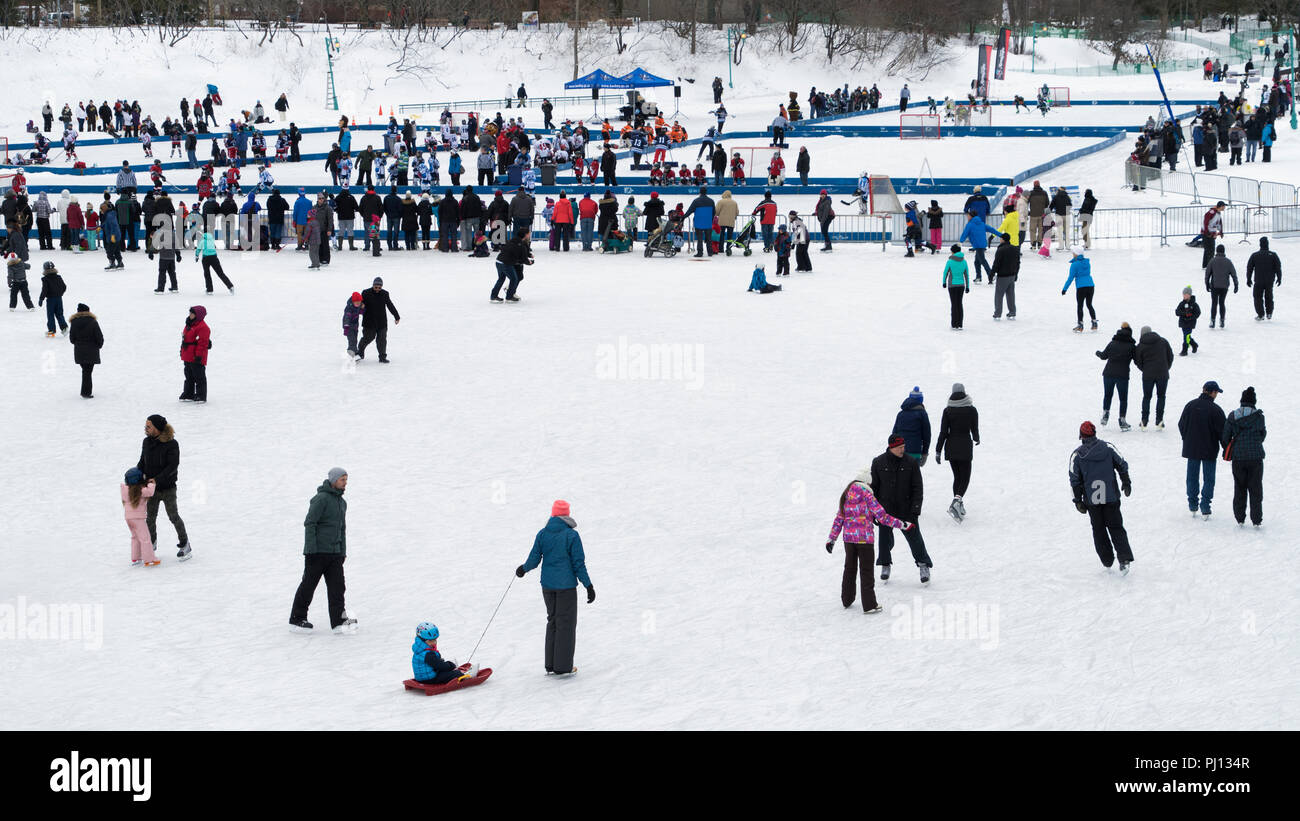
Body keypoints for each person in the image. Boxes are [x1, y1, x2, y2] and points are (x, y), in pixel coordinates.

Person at [515, 500, 594, 676]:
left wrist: (523, 569)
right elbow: (578, 564)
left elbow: (534, 559)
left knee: (553, 621)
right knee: (565, 624)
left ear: (553, 514)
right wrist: (588, 585)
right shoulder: (571, 536)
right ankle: (563, 667)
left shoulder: (543, 534)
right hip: (565, 587)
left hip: (548, 587)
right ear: (566, 515)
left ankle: (550, 664)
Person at [826, 473, 913, 613]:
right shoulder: (867, 495)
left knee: (849, 568)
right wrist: (902, 524)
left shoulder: (846, 494)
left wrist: (832, 539)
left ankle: (846, 599)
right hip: (865, 539)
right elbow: (883, 517)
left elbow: (839, 518)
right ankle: (869, 604)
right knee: (866, 571)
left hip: (849, 539)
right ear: (867, 482)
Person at [290, 468, 357, 633]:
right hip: (317, 553)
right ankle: (297, 619)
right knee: (308, 585)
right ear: (334, 480)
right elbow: (310, 523)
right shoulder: (321, 499)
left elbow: (342, 529)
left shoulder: (342, 503)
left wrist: (342, 552)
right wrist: (311, 549)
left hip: (335, 554)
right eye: (342, 480)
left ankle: (339, 622)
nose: (345, 483)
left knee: (338, 588)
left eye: (346, 480)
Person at [1069, 421, 1134, 574]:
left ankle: (1107, 559)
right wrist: (1126, 481)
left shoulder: (1077, 455)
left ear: (1082, 436)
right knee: (1116, 527)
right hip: (1111, 496)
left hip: (1092, 501)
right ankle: (1124, 559)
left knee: (1098, 529)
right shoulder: (1108, 448)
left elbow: (1074, 480)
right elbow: (1122, 464)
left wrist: (1078, 501)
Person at [869, 435, 933, 583]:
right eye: (899, 448)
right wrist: (874, 511)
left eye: (903, 447)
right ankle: (885, 564)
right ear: (891, 447)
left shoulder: (911, 462)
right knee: (884, 540)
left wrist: (915, 509)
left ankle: (923, 564)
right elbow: (874, 488)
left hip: (907, 509)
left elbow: (918, 487)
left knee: (915, 539)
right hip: (886, 510)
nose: (902, 450)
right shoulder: (878, 462)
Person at [136, 414, 190, 559]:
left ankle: (185, 544)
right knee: (150, 518)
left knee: (173, 516)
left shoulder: (172, 444)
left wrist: (157, 479)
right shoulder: (146, 442)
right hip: (151, 488)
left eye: (149, 426)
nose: (145, 429)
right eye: (145, 426)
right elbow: (142, 462)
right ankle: (151, 544)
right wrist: (135, 474)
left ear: (157, 428)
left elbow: (173, 466)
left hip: (167, 488)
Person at [1178, 381, 1226, 519]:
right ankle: (1205, 506)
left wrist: (1186, 439)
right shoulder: (1216, 410)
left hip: (1191, 448)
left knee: (1192, 477)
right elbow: (1222, 432)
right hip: (1209, 449)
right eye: (1216, 392)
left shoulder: (1190, 405)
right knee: (1209, 479)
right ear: (1213, 392)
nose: (1216, 395)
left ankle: (1193, 504)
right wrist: (1226, 449)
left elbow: (1181, 424)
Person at [1221, 386, 1266, 528]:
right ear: (1254, 401)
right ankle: (1256, 520)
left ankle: (1240, 518)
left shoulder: (1233, 416)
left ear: (1241, 401)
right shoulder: (1259, 417)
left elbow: (1225, 437)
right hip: (1255, 458)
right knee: (1255, 488)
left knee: (1239, 487)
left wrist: (1232, 449)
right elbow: (1262, 435)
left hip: (1238, 458)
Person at [935, 383, 979, 521]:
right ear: (964, 392)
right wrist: (977, 438)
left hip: (951, 446)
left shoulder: (947, 410)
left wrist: (938, 450)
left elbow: (943, 432)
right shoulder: (971, 410)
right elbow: (974, 428)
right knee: (965, 477)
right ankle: (957, 502)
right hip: (965, 445)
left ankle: (958, 505)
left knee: (957, 477)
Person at [1094, 323, 1135, 430]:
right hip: (1123, 375)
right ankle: (1122, 420)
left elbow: (1103, 356)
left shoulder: (1112, 343)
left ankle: (1105, 414)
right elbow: (1137, 360)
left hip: (1108, 373)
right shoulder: (1131, 346)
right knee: (1123, 399)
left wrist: (1097, 353)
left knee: (1108, 395)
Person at [1133, 325, 1174, 431]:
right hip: (1163, 374)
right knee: (1161, 396)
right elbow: (1170, 356)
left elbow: (1137, 361)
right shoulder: (1163, 341)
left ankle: (1144, 420)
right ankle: (1159, 420)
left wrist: (1145, 369)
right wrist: (1166, 367)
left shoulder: (1140, 346)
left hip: (1148, 375)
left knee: (1147, 397)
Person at [410, 623, 475, 685]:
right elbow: (439, 666)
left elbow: (435, 663)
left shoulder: (420, 649)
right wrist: (450, 666)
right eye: (430, 641)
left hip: (423, 677)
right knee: (455, 674)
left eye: (435, 639)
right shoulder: (428, 654)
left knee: (446, 669)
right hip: (430, 679)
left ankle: (454, 670)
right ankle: (466, 675)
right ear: (422, 640)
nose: (434, 642)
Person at [121, 469, 161, 568]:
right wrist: (152, 483)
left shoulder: (126, 490)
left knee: (135, 537)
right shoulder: (141, 490)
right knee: (145, 538)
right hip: (138, 518)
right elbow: (150, 492)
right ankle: (149, 559)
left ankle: (136, 557)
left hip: (128, 518)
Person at [358, 277, 400, 363]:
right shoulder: (366, 293)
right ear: (373, 285)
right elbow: (358, 303)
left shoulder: (385, 294)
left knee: (382, 339)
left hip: (381, 322)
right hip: (369, 322)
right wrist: (361, 306)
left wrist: (397, 316)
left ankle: (382, 357)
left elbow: (390, 305)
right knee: (368, 338)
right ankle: (360, 352)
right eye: (375, 287)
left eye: (379, 287)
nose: (377, 289)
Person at [68, 302, 102, 398]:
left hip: (79, 351)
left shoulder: (74, 322)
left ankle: (85, 391)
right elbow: (99, 337)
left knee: (86, 371)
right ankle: (86, 392)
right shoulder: (93, 322)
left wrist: (78, 344)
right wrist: (98, 346)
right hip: (92, 351)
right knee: (87, 371)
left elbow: (72, 339)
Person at [179, 306, 211, 403]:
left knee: (199, 376)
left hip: (196, 356)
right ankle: (188, 394)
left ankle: (201, 395)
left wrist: (198, 356)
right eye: (190, 313)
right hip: (187, 354)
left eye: (192, 313)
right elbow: (184, 338)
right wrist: (182, 350)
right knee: (188, 375)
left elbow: (203, 343)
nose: (190, 315)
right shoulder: (189, 324)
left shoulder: (203, 327)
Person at [891, 386, 931, 465]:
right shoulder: (922, 414)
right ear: (920, 400)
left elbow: (894, 433)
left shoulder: (900, 414)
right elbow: (927, 435)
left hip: (899, 451)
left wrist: (892, 449)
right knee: (913, 476)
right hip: (915, 452)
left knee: (900, 475)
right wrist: (925, 453)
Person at [491, 228, 532, 303]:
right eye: (529, 233)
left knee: (501, 279)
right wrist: (529, 262)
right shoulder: (521, 244)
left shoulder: (514, 240)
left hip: (499, 261)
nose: (529, 235)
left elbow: (517, 253)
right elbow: (522, 258)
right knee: (514, 279)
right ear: (525, 235)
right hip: (506, 263)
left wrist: (528, 255)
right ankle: (509, 297)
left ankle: (493, 296)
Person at [1062, 246, 1097, 332]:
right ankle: (1094, 323)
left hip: (1081, 287)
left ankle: (1080, 325)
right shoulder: (1087, 262)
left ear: (1076, 254)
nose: (1072, 254)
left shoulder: (1075, 265)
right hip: (1091, 285)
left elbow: (1070, 278)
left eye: (1073, 253)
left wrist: (1064, 289)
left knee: (1080, 306)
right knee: (1089, 305)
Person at [1246, 236, 1281, 320]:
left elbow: (1249, 268)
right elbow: (1278, 267)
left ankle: (1261, 314)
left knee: (1257, 297)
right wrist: (1279, 278)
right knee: (1269, 296)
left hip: (1258, 280)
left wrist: (1248, 279)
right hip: (1269, 280)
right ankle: (1269, 313)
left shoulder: (1255, 255)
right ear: (1267, 244)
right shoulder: (1273, 255)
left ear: (1260, 244)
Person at [1204, 244, 1238, 328]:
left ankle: (1212, 321)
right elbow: (1234, 274)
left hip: (1214, 286)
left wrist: (1207, 284)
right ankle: (1222, 320)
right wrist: (1236, 284)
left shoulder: (1212, 260)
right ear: (1224, 251)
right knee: (1222, 303)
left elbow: (1207, 274)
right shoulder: (1228, 262)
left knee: (1214, 303)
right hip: (1224, 286)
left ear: (1216, 251)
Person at [989, 232, 1019, 320]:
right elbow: (1018, 263)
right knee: (1011, 295)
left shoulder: (1000, 250)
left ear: (1002, 239)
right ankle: (1012, 312)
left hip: (1002, 276)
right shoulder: (1015, 249)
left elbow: (996, 264)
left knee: (999, 295)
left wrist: (991, 274)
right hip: (1012, 275)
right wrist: (1016, 273)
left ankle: (997, 313)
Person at [941, 244, 970, 330]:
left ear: (953, 251)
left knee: (954, 304)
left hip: (952, 286)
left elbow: (945, 272)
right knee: (959, 304)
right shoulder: (964, 261)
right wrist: (967, 286)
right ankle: (960, 324)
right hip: (961, 285)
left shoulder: (950, 261)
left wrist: (944, 282)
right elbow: (966, 275)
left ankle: (954, 324)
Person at [683, 186, 716, 258]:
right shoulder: (711, 201)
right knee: (709, 238)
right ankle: (710, 252)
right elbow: (714, 212)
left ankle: (700, 252)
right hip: (708, 222)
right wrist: (711, 219)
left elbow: (690, 211)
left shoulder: (696, 201)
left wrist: (683, 217)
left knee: (700, 239)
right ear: (706, 192)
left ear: (700, 192)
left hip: (698, 222)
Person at [37, 262, 68, 337]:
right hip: (59, 299)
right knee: (59, 314)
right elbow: (64, 287)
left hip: (51, 300)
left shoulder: (45, 279)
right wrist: (60, 294)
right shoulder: (58, 277)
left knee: (50, 315)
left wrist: (41, 299)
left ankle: (51, 330)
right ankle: (64, 328)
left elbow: (44, 290)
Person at [1176, 286, 1201, 355]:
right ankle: (1194, 344)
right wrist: (1184, 313)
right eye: (1183, 294)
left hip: (1190, 323)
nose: (1184, 296)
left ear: (1189, 295)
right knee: (1187, 335)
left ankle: (1185, 350)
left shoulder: (1194, 304)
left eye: (1186, 294)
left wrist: (1191, 317)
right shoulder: (1182, 304)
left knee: (1186, 336)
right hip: (1183, 323)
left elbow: (1198, 313)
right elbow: (1177, 312)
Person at [1199, 202, 1225, 269]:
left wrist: (1221, 231)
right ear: (1221, 206)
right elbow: (1206, 222)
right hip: (1207, 234)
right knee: (1210, 250)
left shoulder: (1218, 213)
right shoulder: (1212, 212)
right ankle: (1210, 266)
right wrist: (1207, 232)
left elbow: (1219, 223)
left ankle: (1206, 265)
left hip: (1211, 233)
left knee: (1208, 250)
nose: (1224, 208)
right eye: (1224, 206)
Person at [343, 291, 364, 359]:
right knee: (352, 341)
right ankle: (351, 355)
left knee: (354, 340)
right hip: (349, 327)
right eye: (356, 302)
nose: (358, 304)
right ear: (353, 301)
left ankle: (354, 352)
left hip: (355, 326)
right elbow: (347, 317)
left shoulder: (357, 305)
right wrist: (346, 327)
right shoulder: (349, 308)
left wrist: (363, 308)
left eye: (359, 302)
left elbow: (360, 311)